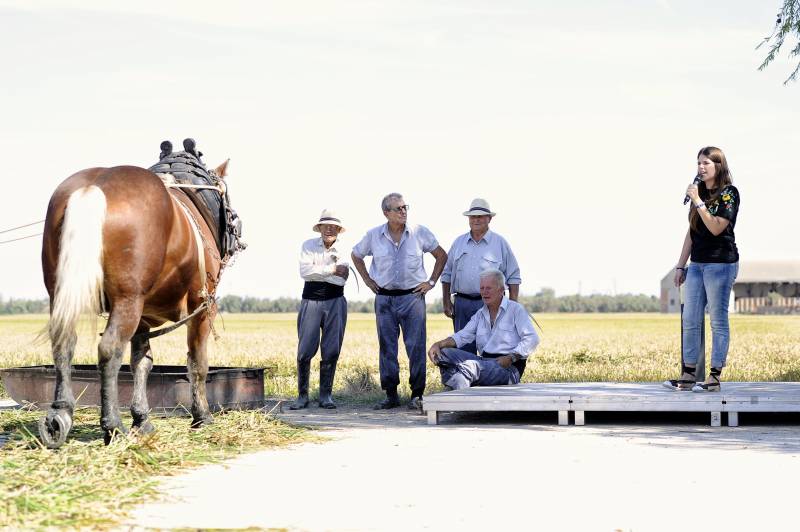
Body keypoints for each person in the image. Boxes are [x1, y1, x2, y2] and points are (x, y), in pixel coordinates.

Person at [351, 193, 447, 410]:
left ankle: (417, 395)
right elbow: (356, 255)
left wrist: (431, 282)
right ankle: (391, 395)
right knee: (387, 348)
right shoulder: (374, 235)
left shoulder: (419, 232)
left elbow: (442, 255)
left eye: (405, 207)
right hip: (384, 298)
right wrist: (367, 280)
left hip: (412, 298)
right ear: (386, 213)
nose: (403, 211)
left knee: (415, 346)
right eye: (398, 208)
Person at [664, 146, 740, 393]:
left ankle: (714, 377)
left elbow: (717, 227)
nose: (701, 167)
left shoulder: (729, 193)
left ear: (718, 165)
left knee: (718, 320)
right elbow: (693, 231)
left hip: (721, 264)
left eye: (706, 163)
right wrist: (680, 264)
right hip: (697, 264)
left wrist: (698, 201)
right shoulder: (700, 195)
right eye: (698, 163)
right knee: (690, 319)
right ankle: (687, 375)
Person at [428, 268, 540, 390]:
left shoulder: (515, 310)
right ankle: (458, 388)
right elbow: (462, 336)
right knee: (444, 354)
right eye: (482, 288)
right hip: (484, 362)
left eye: (489, 288)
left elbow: (532, 339)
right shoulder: (480, 314)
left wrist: (511, 357)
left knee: (470, 367)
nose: (484, 292)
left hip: (508, 368)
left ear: (501, 290)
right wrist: (438, 344)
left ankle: (458, 401)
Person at [440, 198, 521, 353]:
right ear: (468, 219)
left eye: (480, 216)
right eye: (473, 216)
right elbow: (447, 273)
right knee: (463, 350)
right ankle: (467, 377)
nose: (476, 220)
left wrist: (512, 307)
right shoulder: (459, 243)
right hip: (462, 304)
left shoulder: (499, 243)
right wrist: (446, 301)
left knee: (492, 351)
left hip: (491, 305)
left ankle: (491, 377)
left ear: (489, 219)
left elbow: (514, 276)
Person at [290, 209, 349, 410]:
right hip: (311, 301)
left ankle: (326, 395)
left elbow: (342, 278)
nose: (330, 229)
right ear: (320, 228)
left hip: (336, 301)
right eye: (326, 225)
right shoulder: (308, 245)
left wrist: (319, 271)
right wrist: (330, 269)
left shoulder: (345, 248)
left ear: (339, 230)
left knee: (332, 348)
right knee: (305, 348)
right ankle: (302, 396)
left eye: (334, 226)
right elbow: (304, 272)